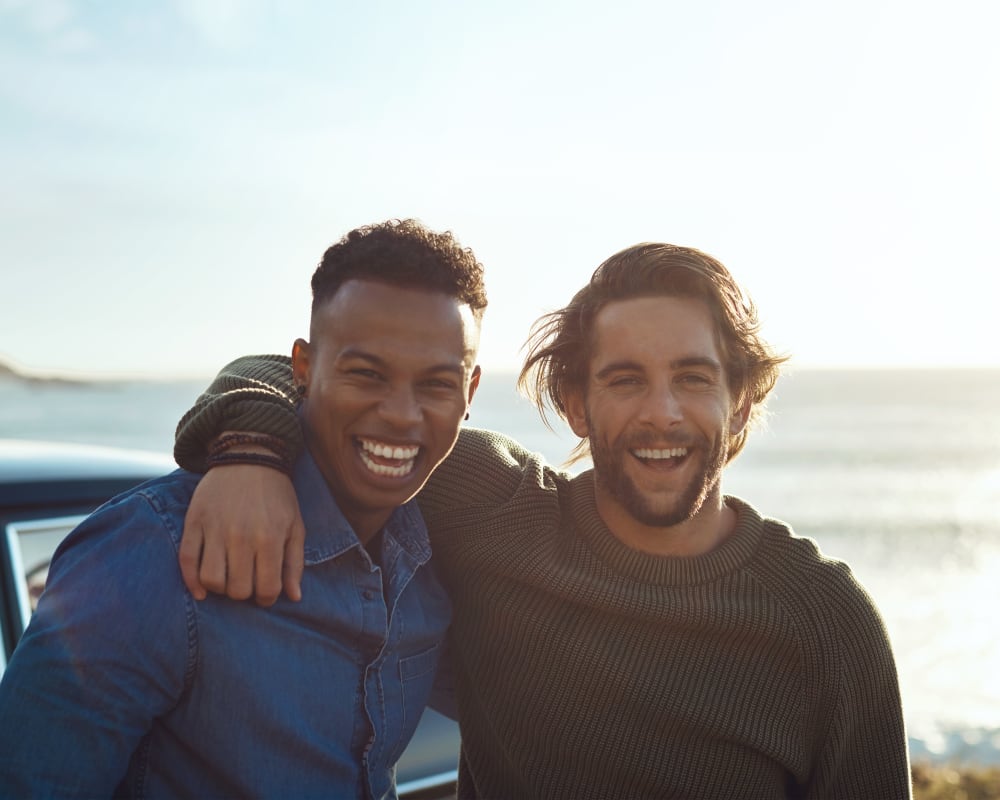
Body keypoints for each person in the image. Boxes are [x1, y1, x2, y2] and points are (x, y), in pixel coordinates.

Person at [173, 243, 912, 799]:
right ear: (577, 405)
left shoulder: (826, 623)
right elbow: (291, 373)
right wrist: (251, 453)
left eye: (694, 378)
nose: (662, 411)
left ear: (740, 402)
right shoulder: (493, 507)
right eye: (625, 380)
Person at [0, 219, 487, 799]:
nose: (403, 415)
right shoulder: (156, 551)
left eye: (436, 385)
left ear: (472, 392)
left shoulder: (437, 553)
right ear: (302, 369)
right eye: (365, 373)